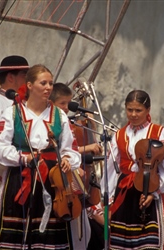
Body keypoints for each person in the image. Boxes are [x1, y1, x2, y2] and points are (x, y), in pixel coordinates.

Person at [0, 64, 81, 249]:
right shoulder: (13, 112)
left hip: (52, 181)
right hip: (20, 179)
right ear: (30, 85)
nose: (48, 87)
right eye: (43, 83)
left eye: (50, 83)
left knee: (50, 237)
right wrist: (22, 158)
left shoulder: (60, 115)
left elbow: (71, 149)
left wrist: (67, 160)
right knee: (17, 233)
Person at [101, 89, 164, 249]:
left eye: (138, 110)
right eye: (130, 110)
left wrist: (154, 193)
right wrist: (108, 201)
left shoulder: (159, 132)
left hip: (149, 192)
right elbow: (110, 169)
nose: (133, 114)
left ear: (148, 110)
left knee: (148, 243)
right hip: (124, 194)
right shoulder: (119, 135)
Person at [49, 82, 104, 250]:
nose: (66, 108)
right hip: (60, 177)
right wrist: (86, 150)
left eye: (68, 103)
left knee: (83, 232)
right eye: (62, 103)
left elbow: (70, 149)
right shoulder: (54, 121)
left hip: (74, 175)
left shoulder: (69, 122)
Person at [0, 55, 29, 197]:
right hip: (7, 168)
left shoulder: (24, 103)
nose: (27, 79)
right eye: (23, 75)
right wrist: (14, 153)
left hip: (23, 166)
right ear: (10, 77)